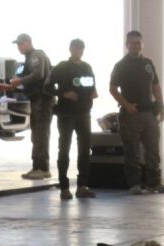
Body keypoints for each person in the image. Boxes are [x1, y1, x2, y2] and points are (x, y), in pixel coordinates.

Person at [109, 30, 164, 195]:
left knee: (152, 150)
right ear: (127, 45)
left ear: (142, 44)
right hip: (130, 115)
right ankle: (134, 184)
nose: (135, 46)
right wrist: (126, 105)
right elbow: (112, 89)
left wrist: (161, 106)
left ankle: (154, 183)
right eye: (132, 43)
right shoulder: (120, 66)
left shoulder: (148, 64)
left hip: (149, 114)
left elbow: (156, 86)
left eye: (138, 43)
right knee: (133, 151)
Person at [44, 38, 97, 200]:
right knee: (64, 149)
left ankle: (82, 186)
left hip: (83, 113)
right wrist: (63, 94)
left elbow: (91, 86)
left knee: (84, 149)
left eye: (81, 48)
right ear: (70, 49)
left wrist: (93, 93)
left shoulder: (87, 67)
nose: (78, 51)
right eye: (76, 48)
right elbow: (47, 87)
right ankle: (64, 187)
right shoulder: (62, 68)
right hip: (66, 113)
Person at [0, 34, 54, 180]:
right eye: (18, 45)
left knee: (40, 135)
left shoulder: (36, 55)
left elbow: (38, 75)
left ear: (28, 42)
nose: (19, 47)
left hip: (43, 100)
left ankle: (42, 168)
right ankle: (36, 167)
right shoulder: (29, 58)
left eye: (21, 44)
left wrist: (18, 82)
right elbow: (29, 82)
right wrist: (10, 87)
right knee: (36, 135)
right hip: (36, 100)